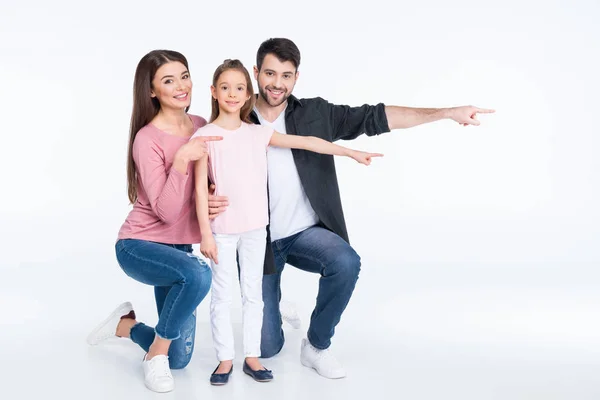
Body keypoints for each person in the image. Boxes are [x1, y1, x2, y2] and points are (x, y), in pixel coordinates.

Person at [207, 38, 495, 379]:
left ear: (296, 77)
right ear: (256, 73)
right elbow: (200, 160)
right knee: (267, 347)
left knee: (346, 262)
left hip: (303, 233)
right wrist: (207, 192)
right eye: (270, 73)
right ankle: (278, 305)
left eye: (286, 75)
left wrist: (446, 113)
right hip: (258, 241)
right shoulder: (233, 115)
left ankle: (315, 346)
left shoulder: (315, 113)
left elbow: (374, 117)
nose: (277, 83)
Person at [192, 59, 382, 385]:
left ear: (248, 92)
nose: (233, 94)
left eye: (239, 89)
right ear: (213, 92)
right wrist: (205, 235)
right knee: (226, 300)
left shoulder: (257, 133)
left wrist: (350, 154)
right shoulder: (205, 136)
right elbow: (198, 187)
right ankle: (225, 360)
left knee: (253, 298)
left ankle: (253, 357)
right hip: (224, 232)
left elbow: (307, 142)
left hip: (256, 231)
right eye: (225, 88)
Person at [86, 50, 222, 393]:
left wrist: (211, 196)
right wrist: (180, 159)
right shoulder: (147, 139)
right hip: (139, 245)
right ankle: (154, 356)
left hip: (179, 247)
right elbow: (165, 212)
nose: (181, 86)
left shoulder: (201, 126)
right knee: (198, 273)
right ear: (151, 91)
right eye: (168, 80)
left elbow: (204, 185)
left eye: (184, 75)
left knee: (180, 360)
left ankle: (125, 327)